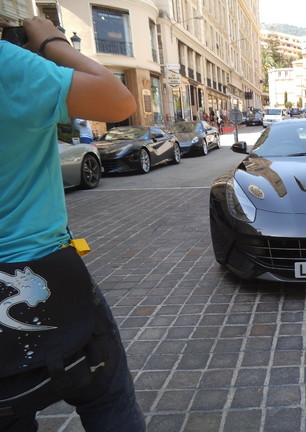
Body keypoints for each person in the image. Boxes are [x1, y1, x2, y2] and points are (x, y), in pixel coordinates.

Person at [0, 17, 145, 432]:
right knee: (108, 401)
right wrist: (49, 39)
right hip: (39, 265)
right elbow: (119, 101)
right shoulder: (10, 66)